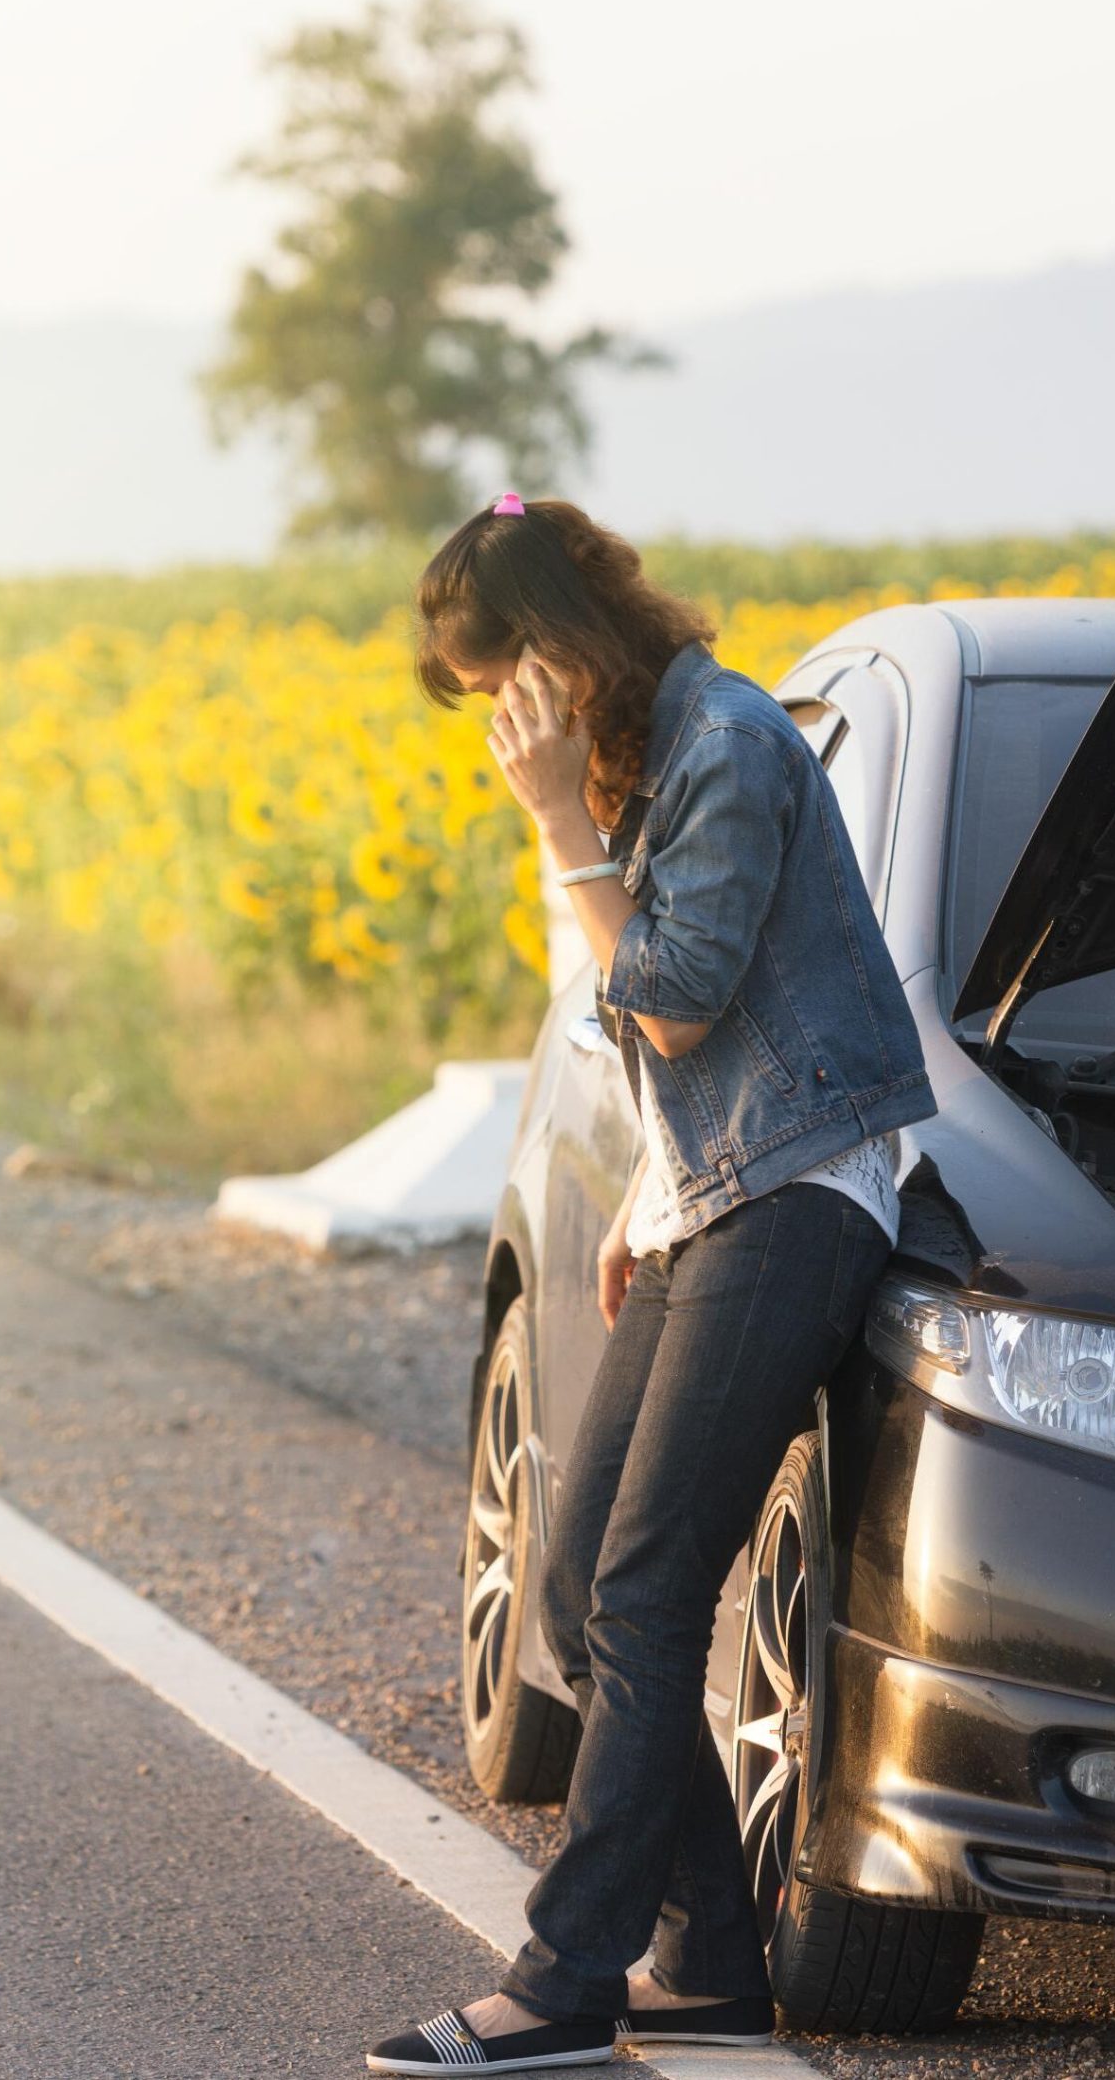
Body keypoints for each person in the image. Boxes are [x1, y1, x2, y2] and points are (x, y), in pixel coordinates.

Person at [367, 495, 935, 2074]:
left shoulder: (727, 745)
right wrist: (646, 1191)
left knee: (648, 1589)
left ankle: (565, 1982)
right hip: (715, 1195)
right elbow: (683, 1038)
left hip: (803, 1200)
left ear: (562, 649)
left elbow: (678, 1005)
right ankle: (712, 1962)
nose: (499, 727)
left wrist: (557, 821)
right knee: (575, 1586)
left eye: (499, 689)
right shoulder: (656, 747)